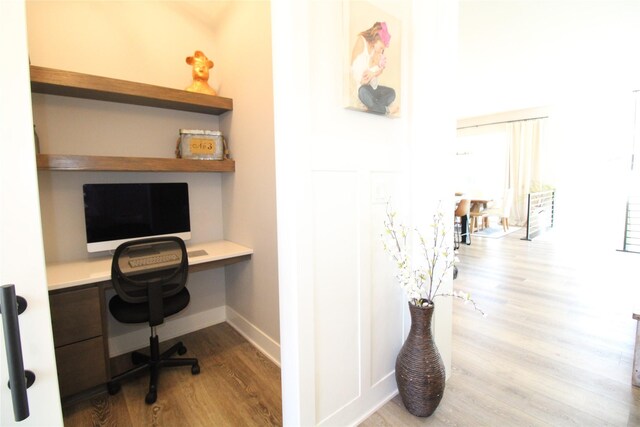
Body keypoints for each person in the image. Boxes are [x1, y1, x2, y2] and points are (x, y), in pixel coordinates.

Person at [350, 22, 397, 115]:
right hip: (362, 88)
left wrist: (373, 74)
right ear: (376, 39)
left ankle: (373, 107)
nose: (381, 51)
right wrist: (362, 81)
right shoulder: (361, 41)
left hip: (372, 88)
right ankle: (385, 110)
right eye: (381, 48)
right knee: (362, 92)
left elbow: (378, 70)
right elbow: (352, 68)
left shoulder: (374, 50)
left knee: (392, 93)